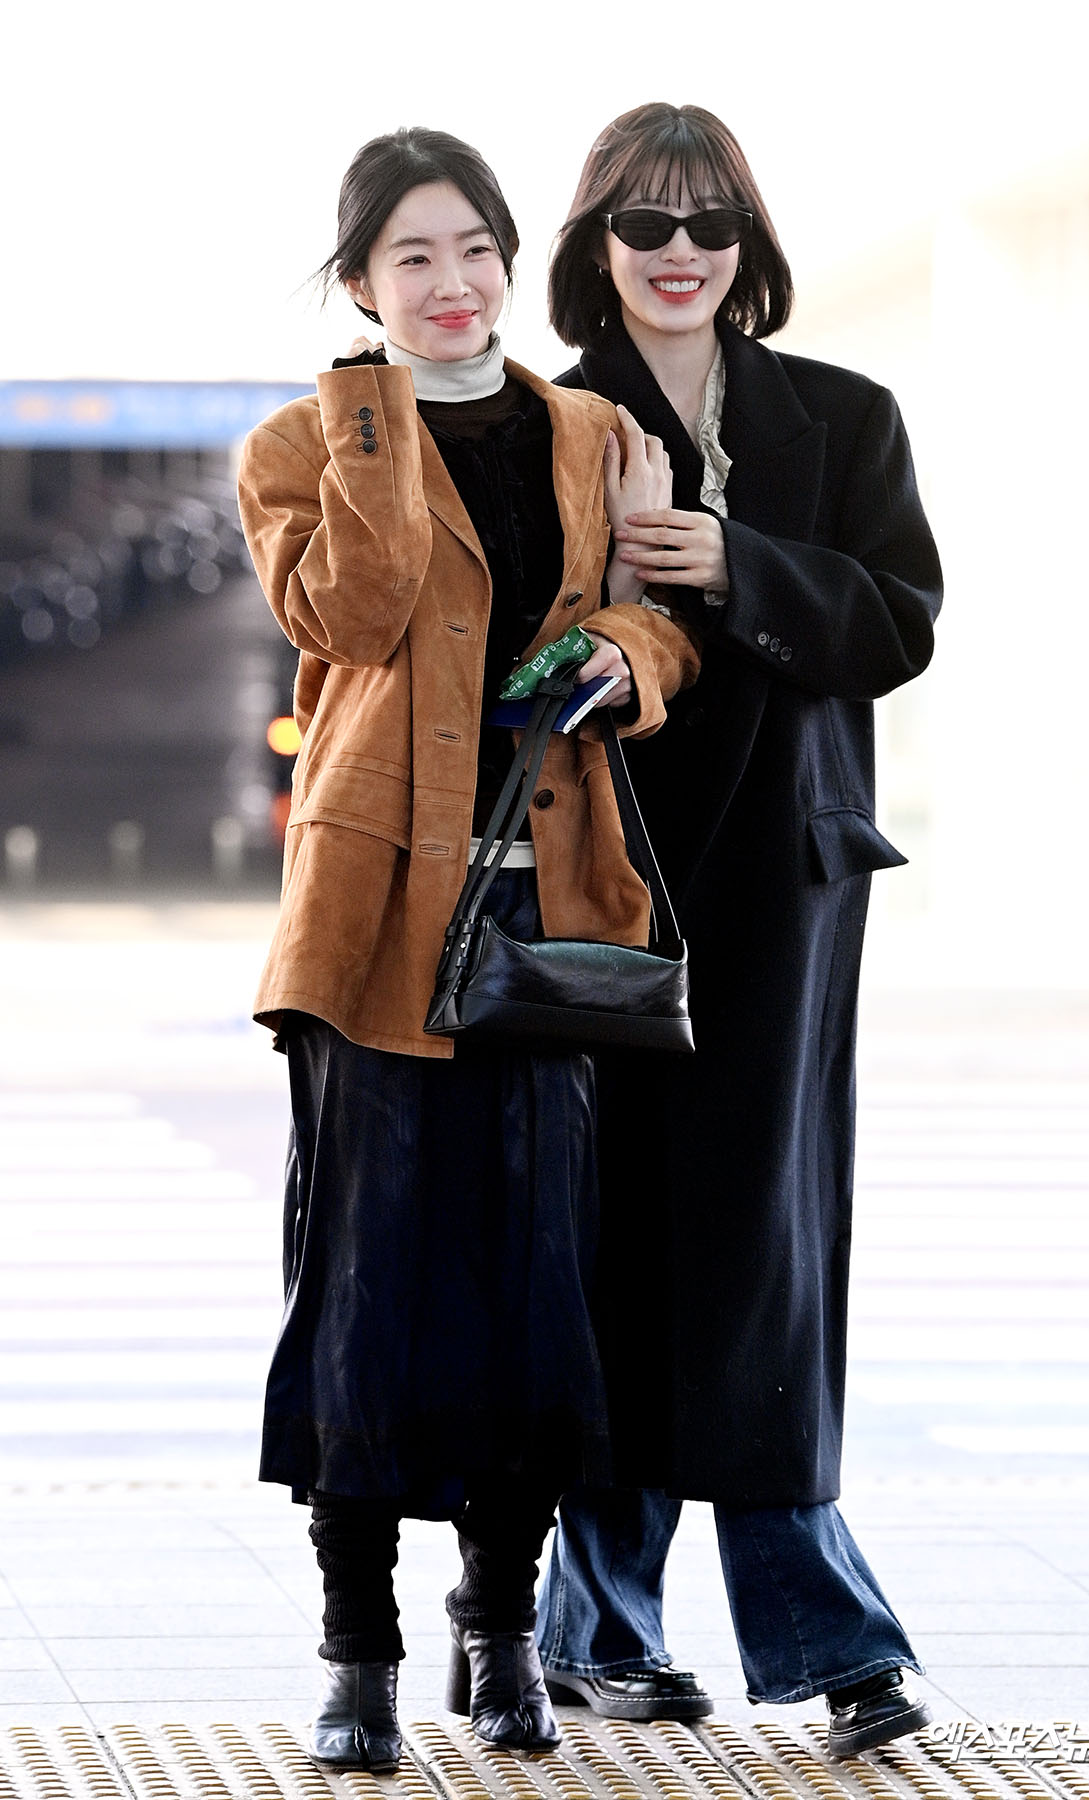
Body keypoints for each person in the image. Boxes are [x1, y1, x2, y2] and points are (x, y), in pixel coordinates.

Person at [237, 125, 698, 1767]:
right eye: (413, 258)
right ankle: (355, 1652)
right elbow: (350, 619)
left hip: (548, 920)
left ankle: (498, 1634)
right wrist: (375, 415)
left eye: (477, 250)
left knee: (533, 1288)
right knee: (366, 1288)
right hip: (372, 925)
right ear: (362, 283)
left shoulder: (593, 433)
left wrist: (625, 653)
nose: (454, 284)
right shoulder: (304, 441)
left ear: (510, 260)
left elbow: (661, 618)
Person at [534, 103, 943, 1759]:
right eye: (645, 222)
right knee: (610, 1239)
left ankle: (820, 1633)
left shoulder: (841, 416)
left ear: (748, 242)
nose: (679, 250)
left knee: (764, 1244)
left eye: (709, 221)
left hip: (780, 886)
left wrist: (735, 564)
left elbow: (900, 622)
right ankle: (600, 1626)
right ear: (599, 245)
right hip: (597, 876)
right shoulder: (550, 421)